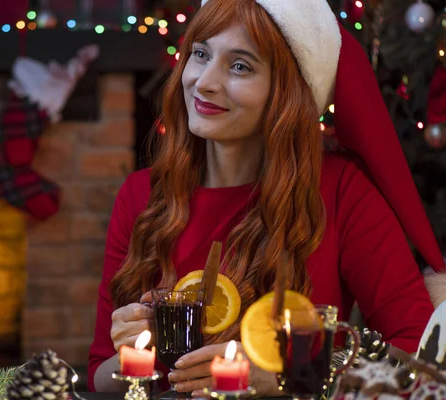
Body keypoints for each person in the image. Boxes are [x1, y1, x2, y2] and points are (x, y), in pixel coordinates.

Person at [88, 0, 446, 396]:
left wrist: (287, 375)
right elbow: (99, 376)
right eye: (200, 54)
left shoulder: (341, 190)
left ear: (288, 91)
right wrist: (131, 351)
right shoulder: (140, 195)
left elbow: (420, 351)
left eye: (240, 66)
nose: (204, 81)